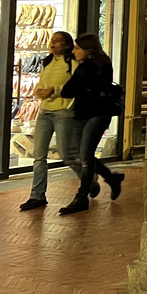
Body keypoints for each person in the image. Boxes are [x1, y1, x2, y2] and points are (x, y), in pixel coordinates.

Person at [20, 31, 87, 211]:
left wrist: (55, 90)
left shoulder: (72, 63)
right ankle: (37, 195)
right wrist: (40, 91)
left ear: (66, 45)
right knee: (38, 155)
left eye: (58, 41)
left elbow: (75, 86)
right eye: (52, 40)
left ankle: (89, 181)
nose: (53, 43)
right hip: (45, 112)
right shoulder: (47, 63)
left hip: (63, 112)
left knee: (67, 154)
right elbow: (41, 84)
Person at [58, 33, 124, 215]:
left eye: (78, 48)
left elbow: (68, 90)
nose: (74, 51)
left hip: (96, 115)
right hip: (86, 114)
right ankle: (111, 178)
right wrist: (91, 91)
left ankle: (81, 196)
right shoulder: (96, 66)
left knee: (85, 155)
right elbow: (69, 91)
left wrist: (86, 89)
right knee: (83, 153)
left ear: (88, 51)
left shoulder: (90, 67)